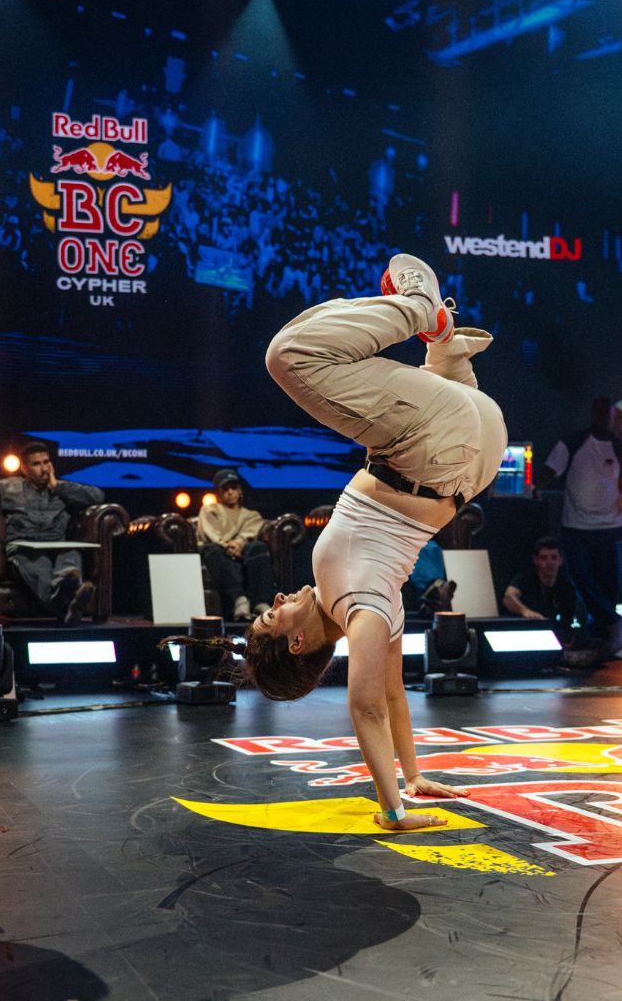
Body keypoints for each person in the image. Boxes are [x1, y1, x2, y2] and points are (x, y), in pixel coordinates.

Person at [166, 253, 504, 829]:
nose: (274, 603)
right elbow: (367, 703)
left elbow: (395, 696)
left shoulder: (371, 605)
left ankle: (444, 346)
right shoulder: (358, 604)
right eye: (273, 619)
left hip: (470, 449)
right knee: (288, 355)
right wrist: (392, 807)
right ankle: (425, 315)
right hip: (439, 442)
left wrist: (415, 775)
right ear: (298, 643)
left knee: (311, 347)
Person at [0, 441, 105, 623]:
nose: (44, 468)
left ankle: (67, 587)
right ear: (24, 468)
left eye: (46, 462)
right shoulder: (8, 488)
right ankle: (69, 603)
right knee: (36, 560)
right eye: (36, 464)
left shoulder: (64, 490)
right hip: (25, 547)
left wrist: (57, 486)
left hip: (57, 544)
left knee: (71, 552)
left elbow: (97, 496)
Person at [537, 399, 622, 649]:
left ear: (614, 417)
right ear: (592, 415)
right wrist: (532, 487)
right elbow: (549, 471)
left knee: (607, 586)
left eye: (607, 414)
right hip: (576, 526)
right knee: (581, 579)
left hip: (609, 528)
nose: (602, 418)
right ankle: (616, 622)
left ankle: (598, 634)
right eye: (597, 413)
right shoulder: (572, 443)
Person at [196, 468, 275, 622]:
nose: (230, 492)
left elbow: (250, 532)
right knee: (212, 550)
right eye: (225, 489)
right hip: (218, 550)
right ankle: (239, 600)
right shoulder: (209, 510)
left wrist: (239, 543)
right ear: (218, 492)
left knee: (258, 547)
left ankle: (260, 602)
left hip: (241, 551)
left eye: (233, 487)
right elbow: (209, 533)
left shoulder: (251, 515)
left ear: (239, 490)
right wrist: (226, 545)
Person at [502, 537, 585, 645]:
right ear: (536, 560)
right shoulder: (525, 578)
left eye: (554, 557)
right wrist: (525, 611)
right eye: (544, 558)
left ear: (560, 561)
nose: (549, 562)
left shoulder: (566, 587)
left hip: (552, 634)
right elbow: (508, 598)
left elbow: (567, 620)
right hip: (523, 632)